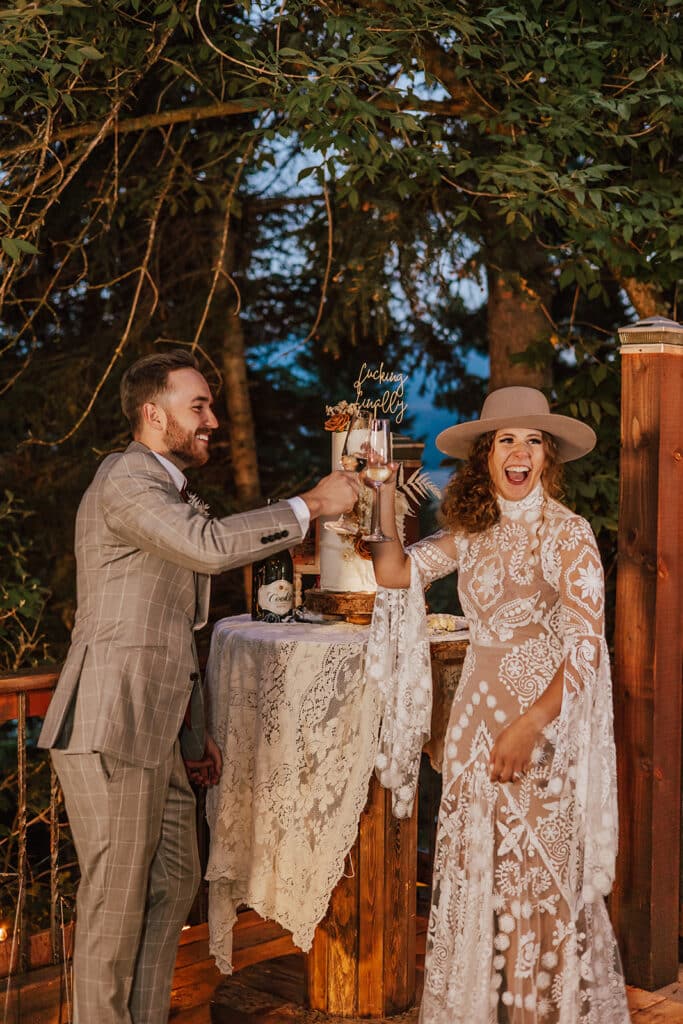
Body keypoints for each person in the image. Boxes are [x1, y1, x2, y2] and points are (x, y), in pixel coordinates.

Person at [38, 348, 359, 1024]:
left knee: (174, 880)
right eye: (198, 407)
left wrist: (193, 732)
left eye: (212, 405)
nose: (212, 419)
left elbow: (176, 631)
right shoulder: (125, 479)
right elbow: (210, 545)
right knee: (114, 902)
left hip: (161, 731)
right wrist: (311, 504)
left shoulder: (166, 488)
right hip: (111, 721)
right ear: (153, 414)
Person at [365, 386, 629, 1023]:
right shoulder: (470, 535)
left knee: (540, 897)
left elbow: (587, 650)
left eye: (532, 441)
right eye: (506, 440)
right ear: (486, 456)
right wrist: (380, 492)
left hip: (536, 738)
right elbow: (394, 572)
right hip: (472, 738)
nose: (519, 453)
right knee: (481, 892)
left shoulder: (569, 535)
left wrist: (530, 727)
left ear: (547, 457)